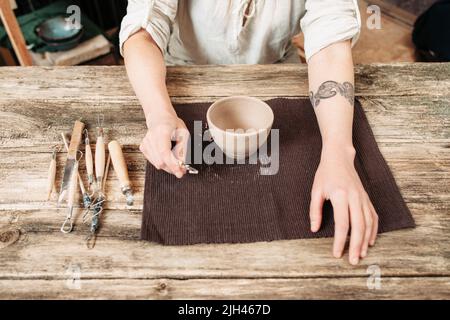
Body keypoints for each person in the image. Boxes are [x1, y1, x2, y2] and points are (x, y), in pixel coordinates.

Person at [120, 0, 378, 265]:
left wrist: (339, 152)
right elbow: (142, 34)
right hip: (182, 75)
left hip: (276, 73)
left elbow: (330, 47)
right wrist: (160, 114)